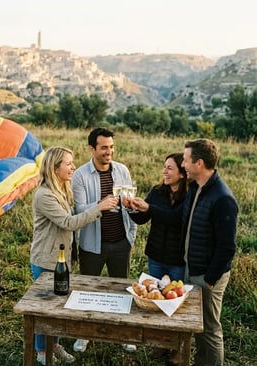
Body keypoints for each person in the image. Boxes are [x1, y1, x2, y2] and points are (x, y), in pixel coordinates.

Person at [131, 138, 238, 366]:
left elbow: (227, 247)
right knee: (197, 326)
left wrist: (209, 279)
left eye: (186, 160)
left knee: (209, 329)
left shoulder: (222, 198)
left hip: (207, 274)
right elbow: (175, 219)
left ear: (199, 163)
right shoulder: (196, 190)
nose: (184, 165)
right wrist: (147, 208)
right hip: (193, 269)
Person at [30, 146, 119, 365]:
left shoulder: (61, 188)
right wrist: (100, 207)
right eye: (68, 163)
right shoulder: (44, 195)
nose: (73, 167)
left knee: (59, 306)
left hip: (61, 258)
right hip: (46, 261)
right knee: (45, 309)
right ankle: (42, 350)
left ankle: (55, 345)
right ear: (54, 167)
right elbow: (69, 223)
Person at [71, 127, 137, 353]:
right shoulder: (80, 175)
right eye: (104, 148)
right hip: (92, 244)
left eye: (111, 147)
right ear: (92, 149)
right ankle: (84, 335)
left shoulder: (122, 170)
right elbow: (79, 209)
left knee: (122, 290)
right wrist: (100, 206)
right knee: (88, 290)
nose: (109, 152)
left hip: (121, 242)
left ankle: (123, 334)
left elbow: (130, 204)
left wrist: (131, 237)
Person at [124, 152, 188, 364]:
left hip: (178, 258)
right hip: (157, 255)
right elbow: (144, 218)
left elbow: (176, 219)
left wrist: (150, 208)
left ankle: (178, 349)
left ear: (182, 172)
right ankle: (161, 345)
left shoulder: (190, 195)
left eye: (170, 168)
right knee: (155, 300)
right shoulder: (157, 191)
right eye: (164, 167)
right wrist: (131, 208)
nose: (164, 171)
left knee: (176, 304)